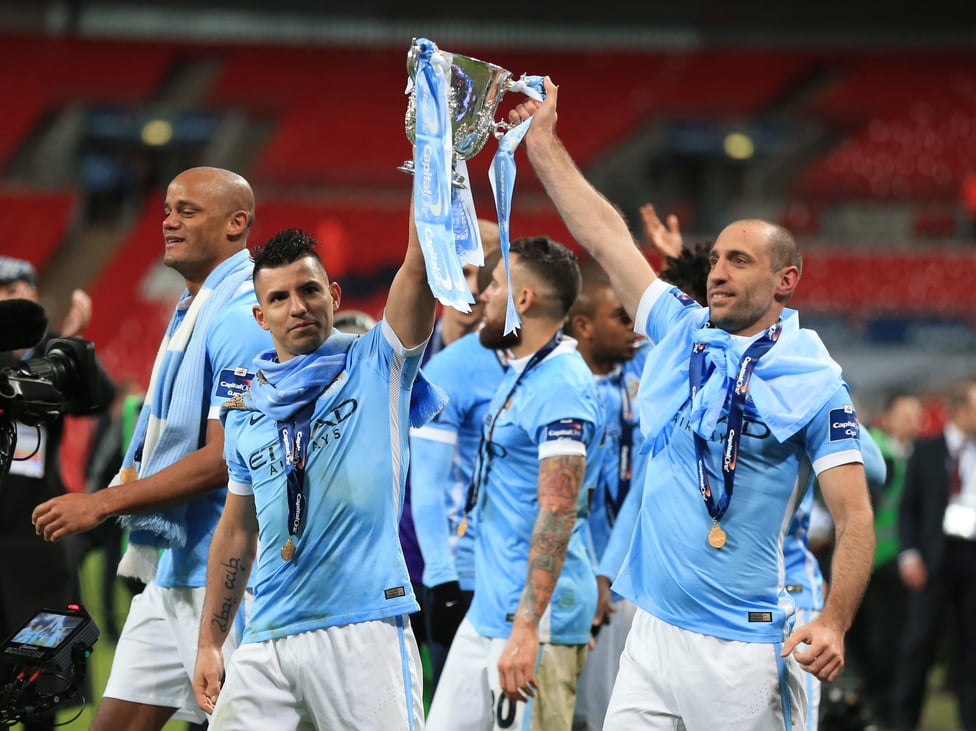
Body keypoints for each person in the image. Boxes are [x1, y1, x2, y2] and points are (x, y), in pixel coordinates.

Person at [512, 78, 876, 730]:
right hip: (652, 630)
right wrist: (543, 143)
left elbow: (855, 518)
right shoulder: (682, 331)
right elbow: (605, 238)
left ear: (786, 280)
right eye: (717, 260)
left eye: (740, 260)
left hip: (745, 643)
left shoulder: (814, 380)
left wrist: (834, 621)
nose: (718, 271)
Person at [32, 166, 271, 731]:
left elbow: (223, 460)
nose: (168, 220)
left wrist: (102, 502)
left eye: (188, 210)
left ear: (237, 223)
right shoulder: (194, 310)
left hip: (225, 577)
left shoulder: (240, 318)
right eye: (168, 208)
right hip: (173, 572)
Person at [192, 221, 437, 729]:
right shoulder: (248, 407)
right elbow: (237, 529)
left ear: (334, 294)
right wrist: (211, 642)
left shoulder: (376, 365)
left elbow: (417, 267)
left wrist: (431, 163)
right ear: (260, 316)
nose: (297, 306)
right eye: (279, 298)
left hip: (363, 628)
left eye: (309, 290)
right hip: (268, 635)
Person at [426, 236, 604, 731]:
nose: (483, 296)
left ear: (523, 301)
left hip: (533, 623)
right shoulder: (522, 370)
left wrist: (528, 628)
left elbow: (558, 510)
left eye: (496, 285)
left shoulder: (561, 386)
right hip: (489, 609)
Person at [0, 257, 114, 731]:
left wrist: (68, 341)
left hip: (41, 528)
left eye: (22, 288)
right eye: (4, 290)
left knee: (43, 667)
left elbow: (102, 397)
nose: (14, 296)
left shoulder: (53, 353)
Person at [409, 248, 506, 694]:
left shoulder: (531, 362)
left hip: (502, 563)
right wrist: (442, 573)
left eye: (478, 276)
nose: (470, 289)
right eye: (462, 274)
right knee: (430, 690)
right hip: (421, 548)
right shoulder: (416, 359)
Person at [563, 258, 649, 731]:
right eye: (621, 316)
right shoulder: (558, 387)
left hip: (623, 575)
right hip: (573, 573)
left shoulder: (638, 377)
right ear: (583, 326)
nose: (634, 329)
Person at [893, 379, 976, 731]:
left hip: (972, 556)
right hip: (934, 557)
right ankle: (903, 720)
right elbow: (907, 507)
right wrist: (909, 554)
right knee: (920, 643)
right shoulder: (927, 450)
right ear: (958, 409)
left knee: (972, 649)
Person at [847, 390, 922, 727]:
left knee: (888, 642)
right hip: (870, 562)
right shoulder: (872, 450)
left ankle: (879, 709)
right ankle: (871, 708)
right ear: (888, 416)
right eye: (906, 416)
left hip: (895, 564)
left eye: (916, 417)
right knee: (871, 642)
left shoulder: (915, 455)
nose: (913, 423)